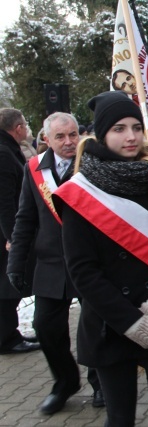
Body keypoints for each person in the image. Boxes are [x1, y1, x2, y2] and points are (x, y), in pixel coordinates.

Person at [53, 91, 148, 426]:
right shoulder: (80, 191)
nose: (131, 136)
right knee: (119, 419)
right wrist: (131, 321)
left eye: (135, 126)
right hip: (110, 324)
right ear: (101, 134)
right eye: (119, 128)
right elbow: (83, 272)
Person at [7, 112, 103, 414]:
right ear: (46, 139)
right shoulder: (34, 169)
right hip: (51, 263)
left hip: (91, 261)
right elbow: (25, 218)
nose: (68, 142)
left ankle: (100, 382)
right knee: (46, 327)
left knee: (95, 327)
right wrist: (16, 262)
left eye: (73, 134)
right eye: (60, 137)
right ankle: (64, 382)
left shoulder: (93, 164)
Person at [0, 108, 40, 355]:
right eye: (25, 125)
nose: (27, 130)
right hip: (6, 235)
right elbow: (4, 202)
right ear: (17, 128)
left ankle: (8, 334)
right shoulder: (3, 154)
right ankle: (7, 338)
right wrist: (13, 237)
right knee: (6, 288)